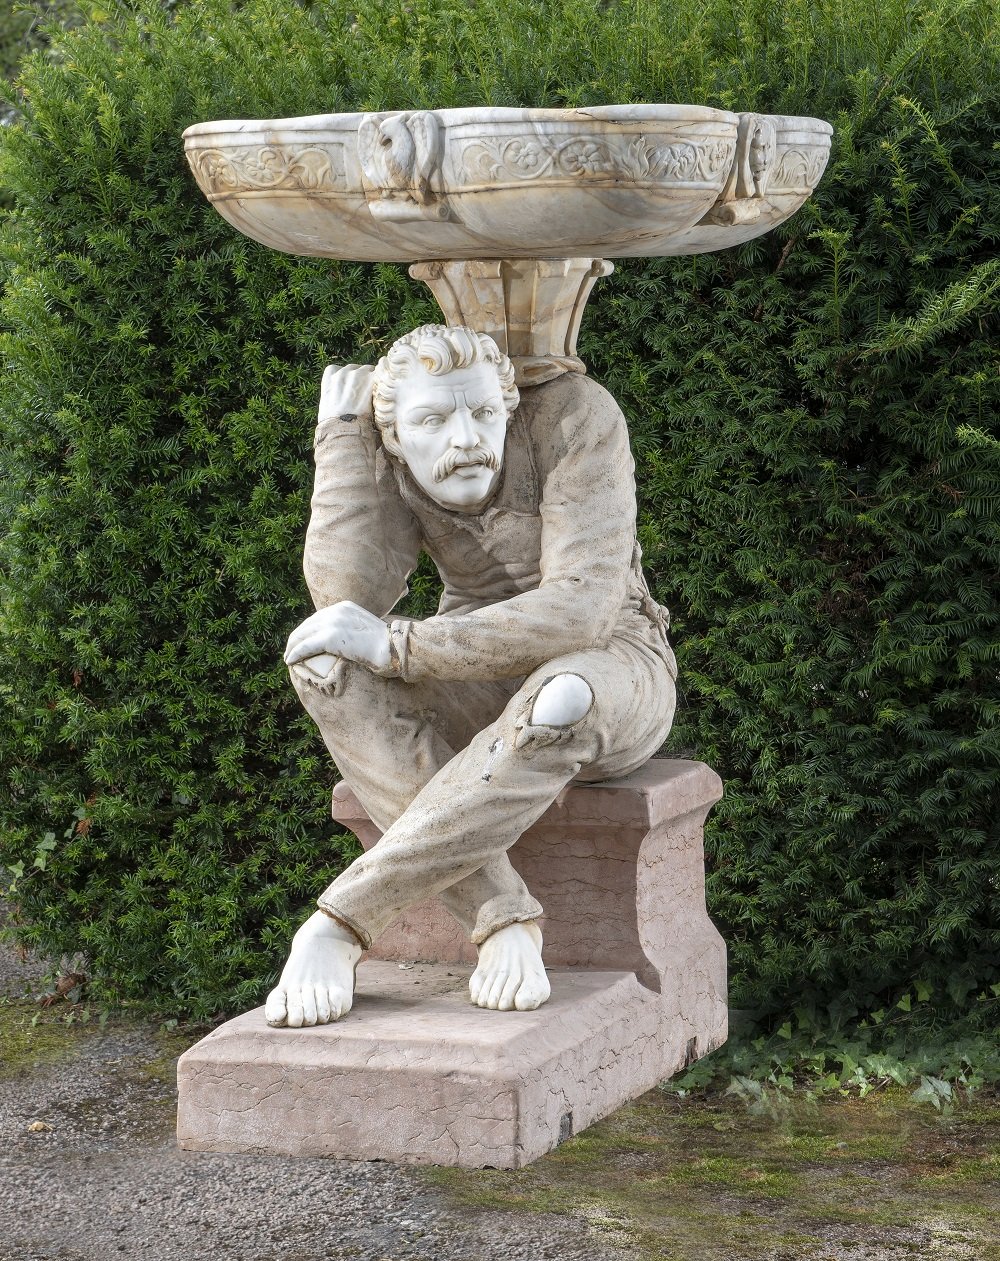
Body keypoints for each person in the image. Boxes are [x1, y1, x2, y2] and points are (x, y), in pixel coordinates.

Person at [264, 324, 677, 1028]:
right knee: (325, 663)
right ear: (396, 434)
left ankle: (337, 924)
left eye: (483, 412)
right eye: (433, 419)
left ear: (506, 405)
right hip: (477, 668)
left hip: (616, 660)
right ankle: (503, 917)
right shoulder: (386, 453)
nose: (465, 438)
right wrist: (339, 440)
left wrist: (399, 648)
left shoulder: (577, 413)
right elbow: (345, 601)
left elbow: (581, 610)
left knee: (561, 698)